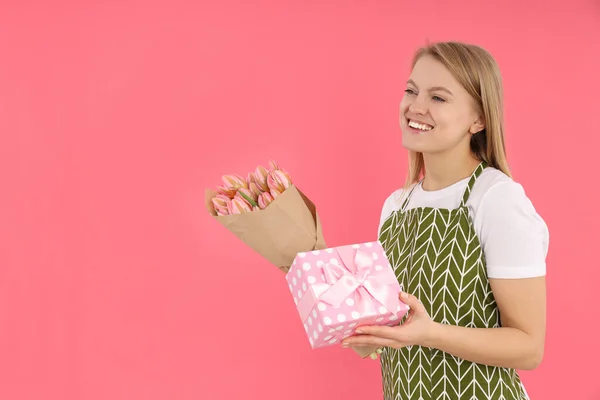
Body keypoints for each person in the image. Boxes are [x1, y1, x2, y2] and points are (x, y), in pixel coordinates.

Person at [340, 41, 548, 400]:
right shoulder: (396, 207)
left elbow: (529, 347)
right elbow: (392, 329)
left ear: (478, 119)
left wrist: (429, 333)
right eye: (411, 90)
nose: (415, 107)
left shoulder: (496, 199)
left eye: (438, 97)